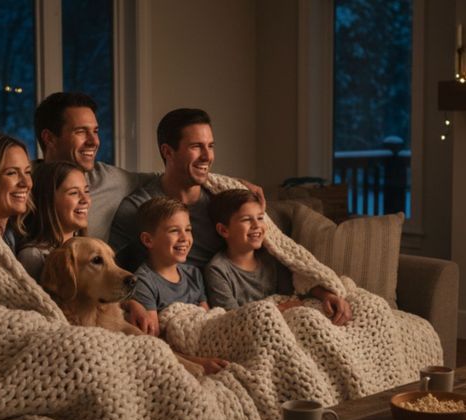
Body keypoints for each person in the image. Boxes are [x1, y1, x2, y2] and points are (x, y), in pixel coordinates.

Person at [0, 92, 154, 242]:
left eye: (96, 131)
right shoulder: (20, 182)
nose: (94, 141)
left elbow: (168, 180)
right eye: (81, 132)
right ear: (49, 138)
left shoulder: (113, 179)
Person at [205, 189, 351, 325]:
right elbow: (232, 320)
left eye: (260, 218)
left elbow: (297, 287)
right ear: (224, 230)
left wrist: (326, 296)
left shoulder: (271, 257)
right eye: (246, 219)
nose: (257, 225)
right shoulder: (218, 270)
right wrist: (279, 309)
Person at [109, 108, 227, 271]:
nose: (207, 156)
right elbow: (114, 271)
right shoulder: (138, 208)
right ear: (168, 152)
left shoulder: (221, 202)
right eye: (196, 146)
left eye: (210, 146)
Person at [127, 196, 229, 374]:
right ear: (148, 240)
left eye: (188, 230)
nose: (184, 238)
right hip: (185, 355)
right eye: (174, 230)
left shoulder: (193, 274)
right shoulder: (144, 281)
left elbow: (210, 321)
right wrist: (199, 363)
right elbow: (154, 344)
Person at [17, 161, 90, 280]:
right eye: (74, 193)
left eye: (86, 191)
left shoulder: (92, 250)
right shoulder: (33, 256)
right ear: (48, 201)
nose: (85, 199)